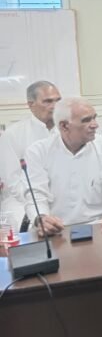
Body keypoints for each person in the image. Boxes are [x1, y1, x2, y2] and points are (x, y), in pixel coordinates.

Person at [24, 97, 102, 235]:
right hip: (58, 230)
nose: (95, 125)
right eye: (86, 120)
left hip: (101, 227)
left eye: (94, 118)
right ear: (64, 126)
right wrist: (42, 219)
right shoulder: (38, 152)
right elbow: (35, 194)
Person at [0, 80, 62, 230]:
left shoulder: (67, 130)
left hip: (62, 197)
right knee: (29, 226)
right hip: (22, 200)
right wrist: (39, 202)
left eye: (58, 100)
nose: (55, 106)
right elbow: (13, 181)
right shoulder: (13, 134)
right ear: (31, 104)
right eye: (48, 101)